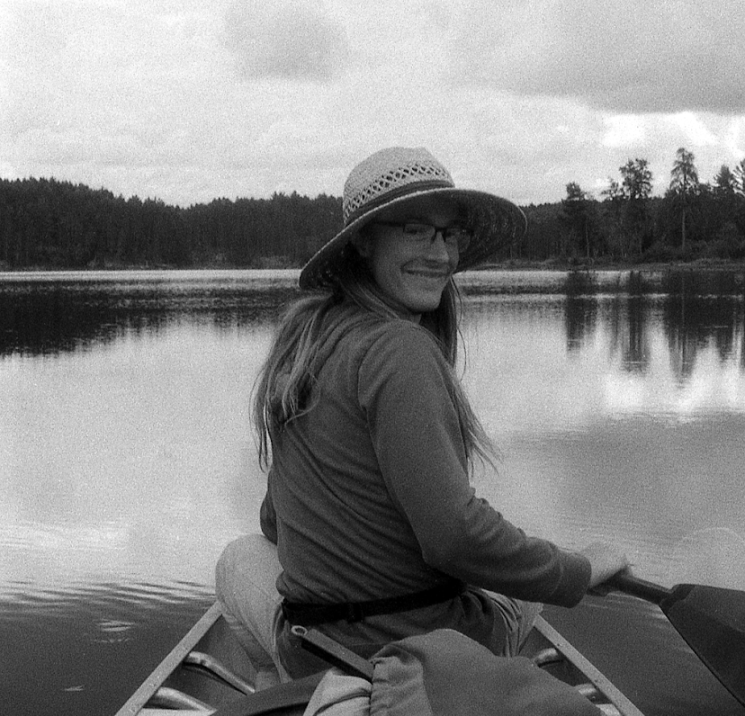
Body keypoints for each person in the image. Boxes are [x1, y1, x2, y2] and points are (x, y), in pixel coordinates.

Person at [217, 146, 628, 680]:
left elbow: (274, 524)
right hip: (426, 655)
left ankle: (280, 700)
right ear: (364, 240)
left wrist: (349, 549)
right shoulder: (399, 350)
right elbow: (456, 538)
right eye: (416, 230)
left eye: (451, 234)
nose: (441, 253)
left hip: (315, 647)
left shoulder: (306, 342)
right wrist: (580, 568)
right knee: (523, 585)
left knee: (237, 559)